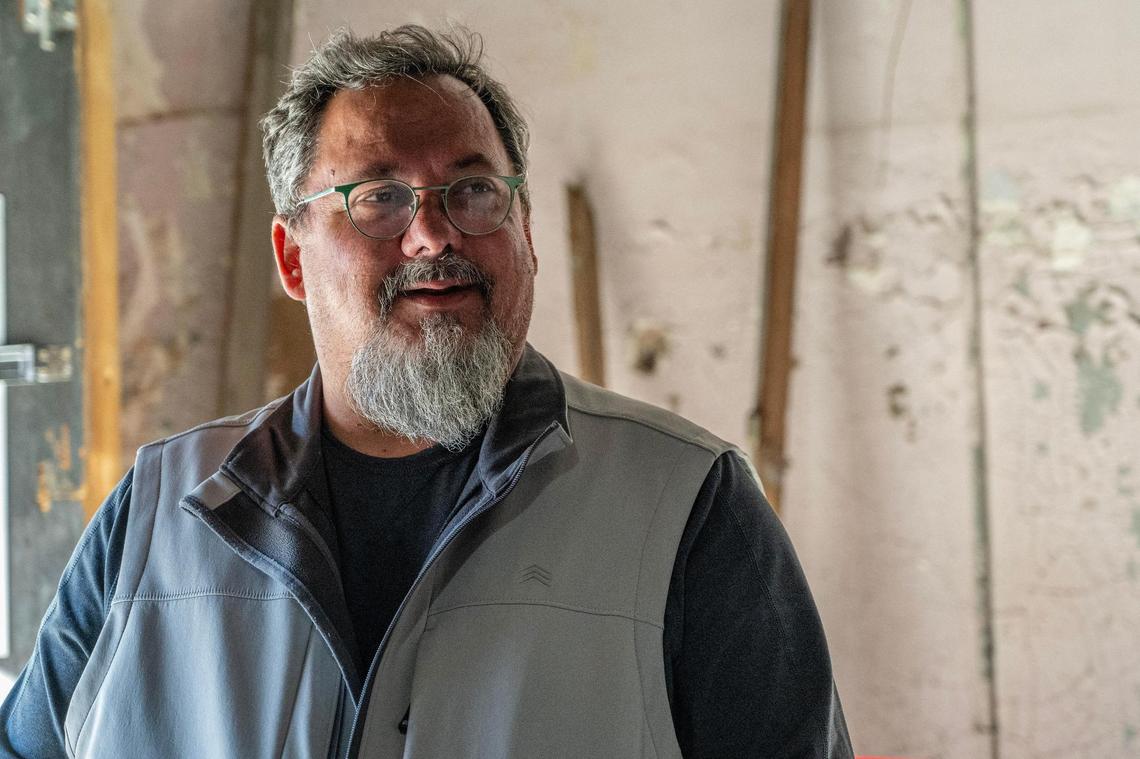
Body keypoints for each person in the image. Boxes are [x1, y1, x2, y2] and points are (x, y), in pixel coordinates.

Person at [0, 25, 852, 758]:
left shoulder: (686, 507)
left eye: (474, 191)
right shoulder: (156, 519)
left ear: (524, 231)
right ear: (292, 259)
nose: (434, 231)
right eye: (379, 197)